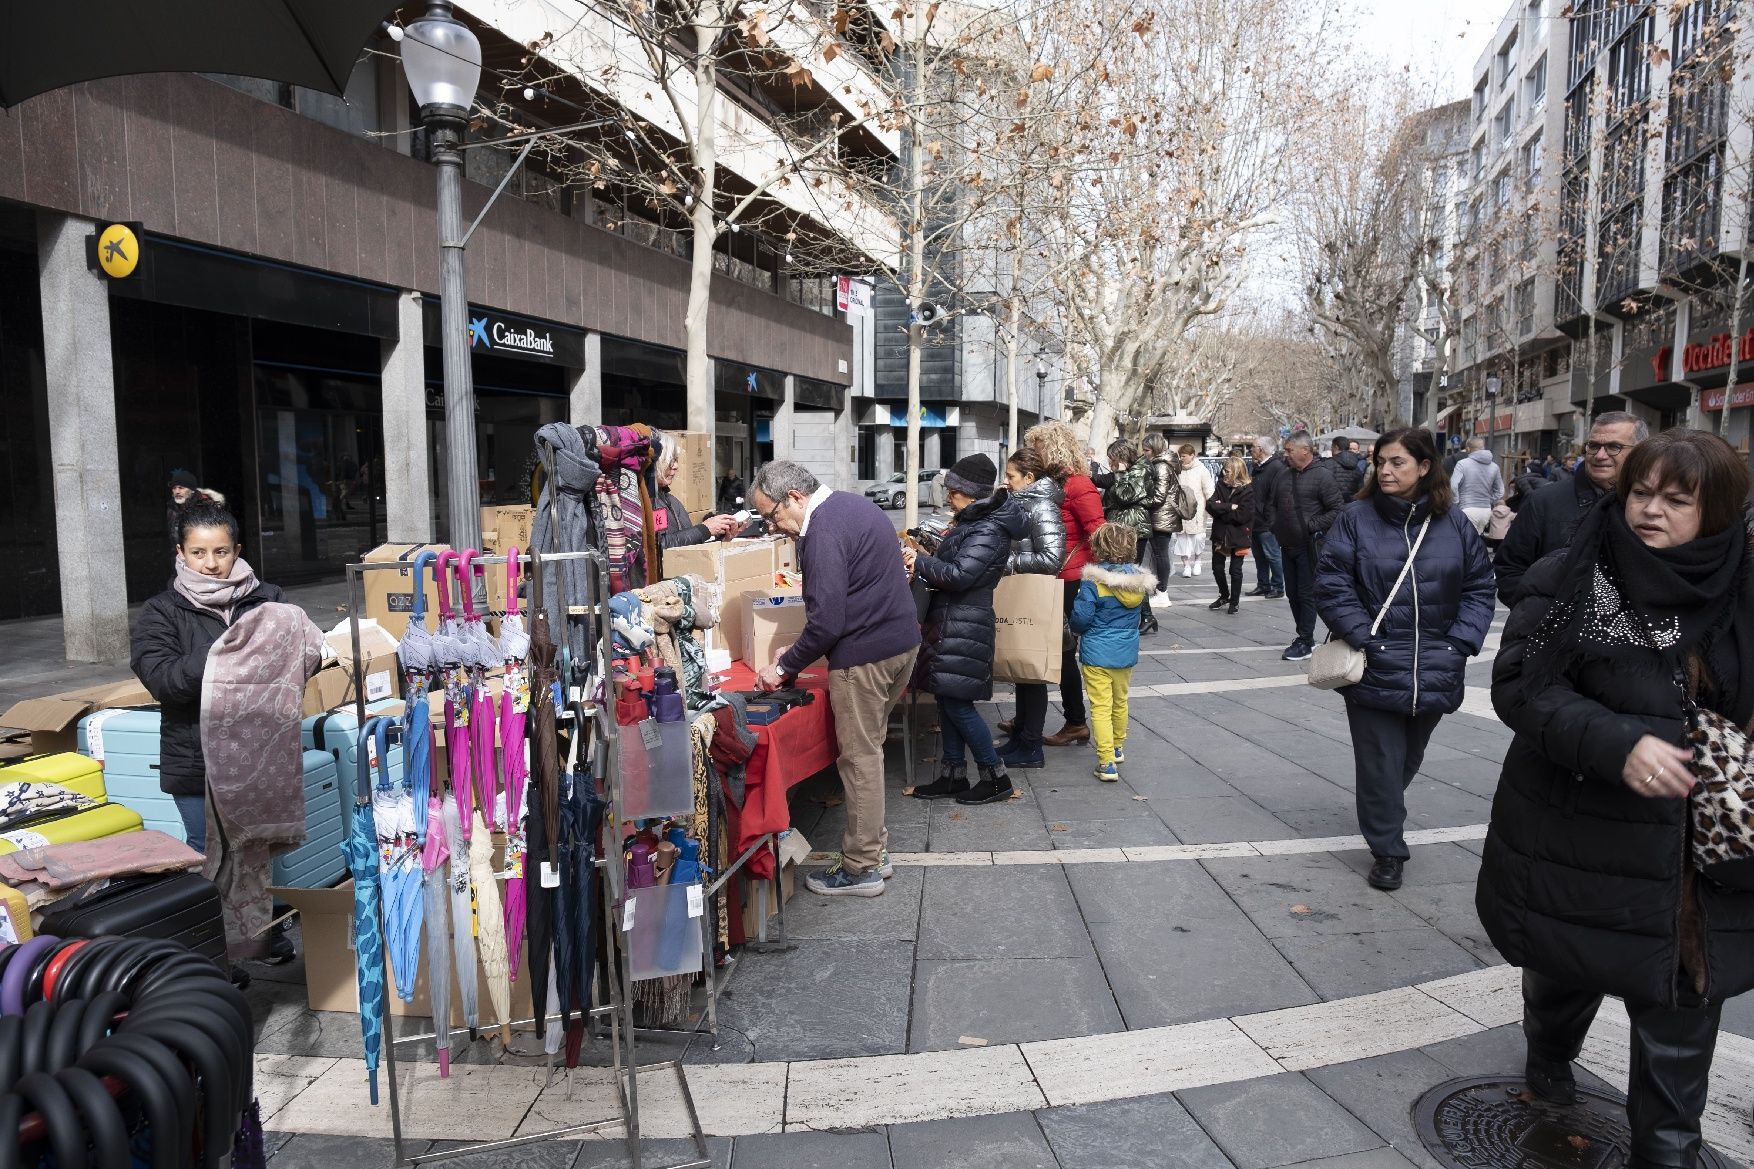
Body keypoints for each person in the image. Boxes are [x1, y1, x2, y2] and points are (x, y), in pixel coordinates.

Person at [1477, 428, 1754, 1167]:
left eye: (1676, 498)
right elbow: (1522, 686)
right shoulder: (1575, 574)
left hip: (1703, 858)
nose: (1650, 511)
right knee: (1566, 969)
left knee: (1681, 1013)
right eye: (1641, 492)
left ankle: (1665, 1150)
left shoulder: (1744, 584)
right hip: (1584, 836)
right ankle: (1549, 1051)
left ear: (1720, 509)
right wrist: (1617, 743)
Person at [1314, 428, 1495, 891]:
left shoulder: (1453, 523)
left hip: (1437, 664)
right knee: (1380, 760)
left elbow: (1479, 587)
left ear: (1425, 466)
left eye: (1397, 462)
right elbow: (1333, 583)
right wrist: (1365, 639)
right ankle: (1389, 849)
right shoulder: (1356, 518)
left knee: (1406, 758)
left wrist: (1460, 645)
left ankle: (1383, 810)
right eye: (1381, 462)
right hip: (1376, 662)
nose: (1386, 471)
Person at [130, 501, 305, 970]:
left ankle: (257, 937)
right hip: (196, 764)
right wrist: (228, 654)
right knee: (207, 863)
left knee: (256, 854)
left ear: (238, 550)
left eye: (222, 552)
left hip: (259, 760)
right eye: (199, 552)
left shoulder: (268, 600)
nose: (211, 563)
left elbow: (298, 658)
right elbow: (164, 680)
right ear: (180, 554)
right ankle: (212, 962)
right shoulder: (162, 612)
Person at [751, 461, 920, 897]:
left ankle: (862, 866)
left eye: (772, 515)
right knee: (870, 752)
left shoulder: (820, 531)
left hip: (865, 657)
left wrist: (784, 667)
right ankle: (873, 852)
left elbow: (827, 622)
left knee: (859, 759)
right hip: (899, 644)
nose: (775, 527)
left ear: (794, 497)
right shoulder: (853, 506)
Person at [904, 455, 1027, 805]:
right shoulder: (975, 520)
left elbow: (961, 575)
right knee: (947, 698)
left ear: (970, 494)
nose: (947, 497)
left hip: (964, 620)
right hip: (952, 619)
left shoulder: (988, 527)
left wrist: (921, 562)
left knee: (958, 705)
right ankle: (953, 775)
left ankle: (996, 777)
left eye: (953, 491)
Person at [1493, 411, 1648, 605]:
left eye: (1613, 447)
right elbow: (1509, 570)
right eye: (1593, 446)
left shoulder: (1654, 506)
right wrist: (1545, 618)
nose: (1600, 455)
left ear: (1640, 452)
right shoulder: (1543, 502)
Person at [1022, 421, 1106, 748]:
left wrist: (1099, 580)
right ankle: (1030, 716)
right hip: (1051, 574)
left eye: (1038, 446)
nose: (1034, 452)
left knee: (1061, 651)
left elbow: (1098, 532)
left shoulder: (1078, 484)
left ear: (1054, 446)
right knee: (1041, 647)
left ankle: (1075, 721)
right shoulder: (1049, 483)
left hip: (1071, 578)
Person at [994, 449, 1065, 769]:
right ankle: (1022, 737)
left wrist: (1006, 562)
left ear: (1029, 478)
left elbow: (1052, 558)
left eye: (1010, 476)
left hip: (1033, 595)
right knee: (1023, 671)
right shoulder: (1020, 504)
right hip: (1021, 591)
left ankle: (1032, 746)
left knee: (1033, 672)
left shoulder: (1042, 506)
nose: (1005, 481)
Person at [1069, 522, 1155, 782]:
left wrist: (1074, 622)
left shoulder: (1093, 582)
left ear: (1098, 548)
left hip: (1098, 652)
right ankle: (1117, 747)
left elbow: (1081, 620)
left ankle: (1106, 761)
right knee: (1120, 701)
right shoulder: (1137, 583)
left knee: (1100, 706)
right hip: (1125, 651)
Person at [1269, 432, 1346, 661]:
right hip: (1287, 544)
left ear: (1305, 450)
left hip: (1310, 546)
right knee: (1292, 594)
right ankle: (1305, 637)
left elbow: (1338, 509)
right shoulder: (1283, 475)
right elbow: (1271, 505)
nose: (1286, 454)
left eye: (1289, 450)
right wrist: (1275, 525)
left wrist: (1312, 526)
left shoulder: (1323, 476)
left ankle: (1305, 638)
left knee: (1306, 594)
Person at [653, 432, 740, 564]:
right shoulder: (645, 502)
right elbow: (660, 546)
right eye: (670, 460)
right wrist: (705, 529)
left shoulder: (672, 501)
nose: (675, 466)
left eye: (676, 460)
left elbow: (688, 548)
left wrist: (722, 539)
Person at [1101, 440, 1158, 635]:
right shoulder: (1131, 471)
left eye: (1113, 460)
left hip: (1135, 528)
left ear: (1122, 457)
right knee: (1129, 572)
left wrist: (1120, 473)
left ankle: (1146, 616)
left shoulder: (1140, 470)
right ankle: (1146, 615)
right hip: (1125, 527)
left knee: (1131, 572)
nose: (1111, 464)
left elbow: (1125, 495)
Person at [1141, 434, 1187, 607]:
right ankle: (1160, 590)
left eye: (1146, 450)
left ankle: (1162, 592)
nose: (1144, 453)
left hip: (1161, 516)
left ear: (1155, 449)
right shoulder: (1162, 464)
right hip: (1161, 516)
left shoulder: (1161, 466)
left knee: (1160, 554)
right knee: (1159, 554)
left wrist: (1141, 500)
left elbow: (1159, 496)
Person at [1205, 456, 1254, 615]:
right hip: (1220, 533)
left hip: (1239, 535)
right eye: (1224, 470)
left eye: (1227, 470)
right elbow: (1210, 505)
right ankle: (1224, 595)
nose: (1224, 473)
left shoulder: (1248, 490)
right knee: (1217, 567)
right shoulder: (1221, 485)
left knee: (1235, 570)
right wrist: (1229, 506)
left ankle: (1235, 601)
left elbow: (1242, 516)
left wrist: (1222, 510)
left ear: (1237, 472)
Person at [1248, 437, 1286, 599]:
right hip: (1255, 519)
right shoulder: (1257, 467)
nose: (1250, 450)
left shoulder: (1277, 467)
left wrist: (1271, 518)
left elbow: (1276, 496)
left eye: (1252, 448)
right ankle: (1263, 584)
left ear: (1261, 449)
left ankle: (1277, 586)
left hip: (1267, 521)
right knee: (1259, 555)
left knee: (1272, 554)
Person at [1173, 445, 1216, 576]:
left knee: (1198, 537)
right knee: (1182, 538)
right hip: (1181, 509)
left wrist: (1213, 507)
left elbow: (1209, 490)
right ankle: (1186, 565)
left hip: (1197, 510)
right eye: (1180, 456)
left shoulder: (1202, 470)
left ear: (1192, 455)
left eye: (1184, 456)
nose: (1181, 459)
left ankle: (1198, 561)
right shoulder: (1177, 470)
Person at [1449, 438, 1504, 534]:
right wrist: (1489, 500)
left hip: (1467, 509)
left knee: (1465, 543)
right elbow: (1500, 491)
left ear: (1468, 449)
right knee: (1475, 541)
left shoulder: (1462, 464)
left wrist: (1456, 502)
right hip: (1486, 511)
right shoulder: (1494, 466)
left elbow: (1453, 485)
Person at [165, 468, 225, 544]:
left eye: (181, 488)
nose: (177, 492)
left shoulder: (204, 505)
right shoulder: (172, 507)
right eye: (174, 488)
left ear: (192, 490)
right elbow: (172, 535)